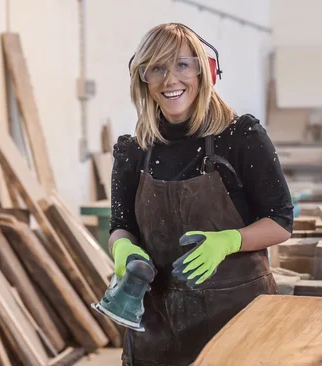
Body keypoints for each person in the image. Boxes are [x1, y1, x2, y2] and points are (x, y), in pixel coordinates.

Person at [108, 23, 294, 366]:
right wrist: (122, 248)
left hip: (238, 323)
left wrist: (228, 241)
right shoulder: (133, 150)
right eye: (157, 68)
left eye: (182, 64)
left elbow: (281, 221)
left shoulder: (240, 136)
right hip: (156, 330)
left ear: (205, 71)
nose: (170, 79)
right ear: (143, 79)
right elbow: (120, 224)